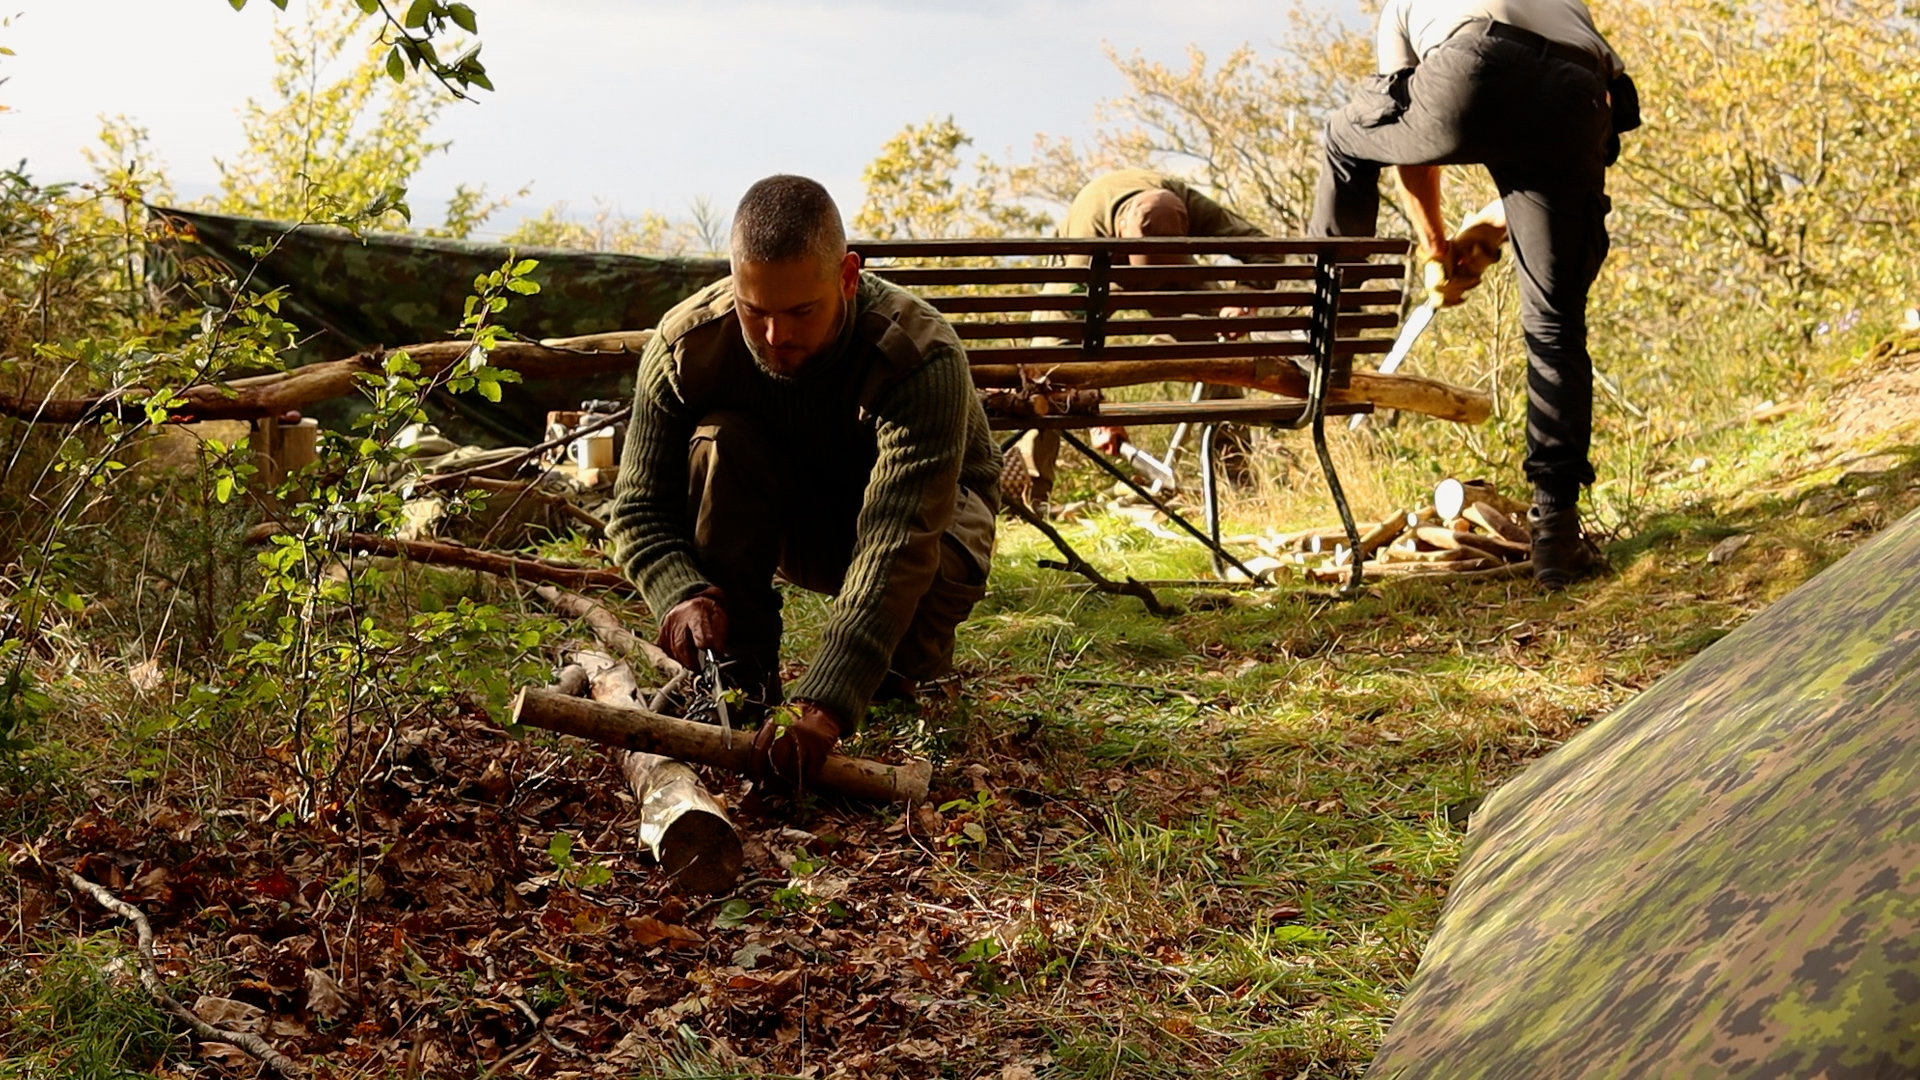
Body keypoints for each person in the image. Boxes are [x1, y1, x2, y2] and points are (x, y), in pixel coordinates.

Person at [606, 175, 1000, 792]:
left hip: (931, 531)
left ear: (846, 277)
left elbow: (896, 543)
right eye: (753, 310)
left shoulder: (918, 354)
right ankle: (743, 682)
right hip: (796, 520)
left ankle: (908, 673)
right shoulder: (686, 347)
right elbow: (637, 509)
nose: (775, 337)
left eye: (800, 312)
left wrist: (826, 704)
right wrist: (681, 592)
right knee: (720, 441)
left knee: (898, 691)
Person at [1309, 0, 1638, 588]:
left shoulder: (1400, 8)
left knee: (1344, 137)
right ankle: (1556, 539)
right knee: (1556, 325)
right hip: (1579, 96)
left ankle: (1328, 349)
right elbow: (1562, 118)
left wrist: (1434, 246)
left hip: (1475, 64)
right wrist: (1494, 221)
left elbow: (1404, 125)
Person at [1014, 169, 1283, 512]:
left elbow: (1266, 251)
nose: (1149, 288)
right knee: (1044, 374)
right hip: (1099, 271)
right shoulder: (1085, 244)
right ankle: (1030, 498)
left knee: (1219, 353)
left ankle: (1240, 489)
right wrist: (1096, 412)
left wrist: (1243, 298)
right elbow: (1059, 350)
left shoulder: (1184, 203)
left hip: (1177, 273)